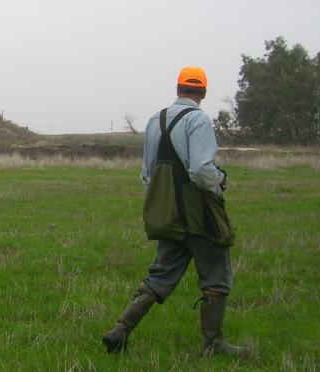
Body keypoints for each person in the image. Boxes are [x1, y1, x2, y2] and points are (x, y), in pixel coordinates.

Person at [102, 66, 247, 356]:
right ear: (203, 92)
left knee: (160, 275)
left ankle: (120, 329)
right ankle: (213, 344)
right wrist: (220, 182)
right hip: (199, 214)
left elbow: (148, 173)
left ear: (177, 88)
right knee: (216, 276)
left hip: (168, 213)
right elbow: (201, 170)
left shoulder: (156, 120)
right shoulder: (199, 120)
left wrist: (164, 206)